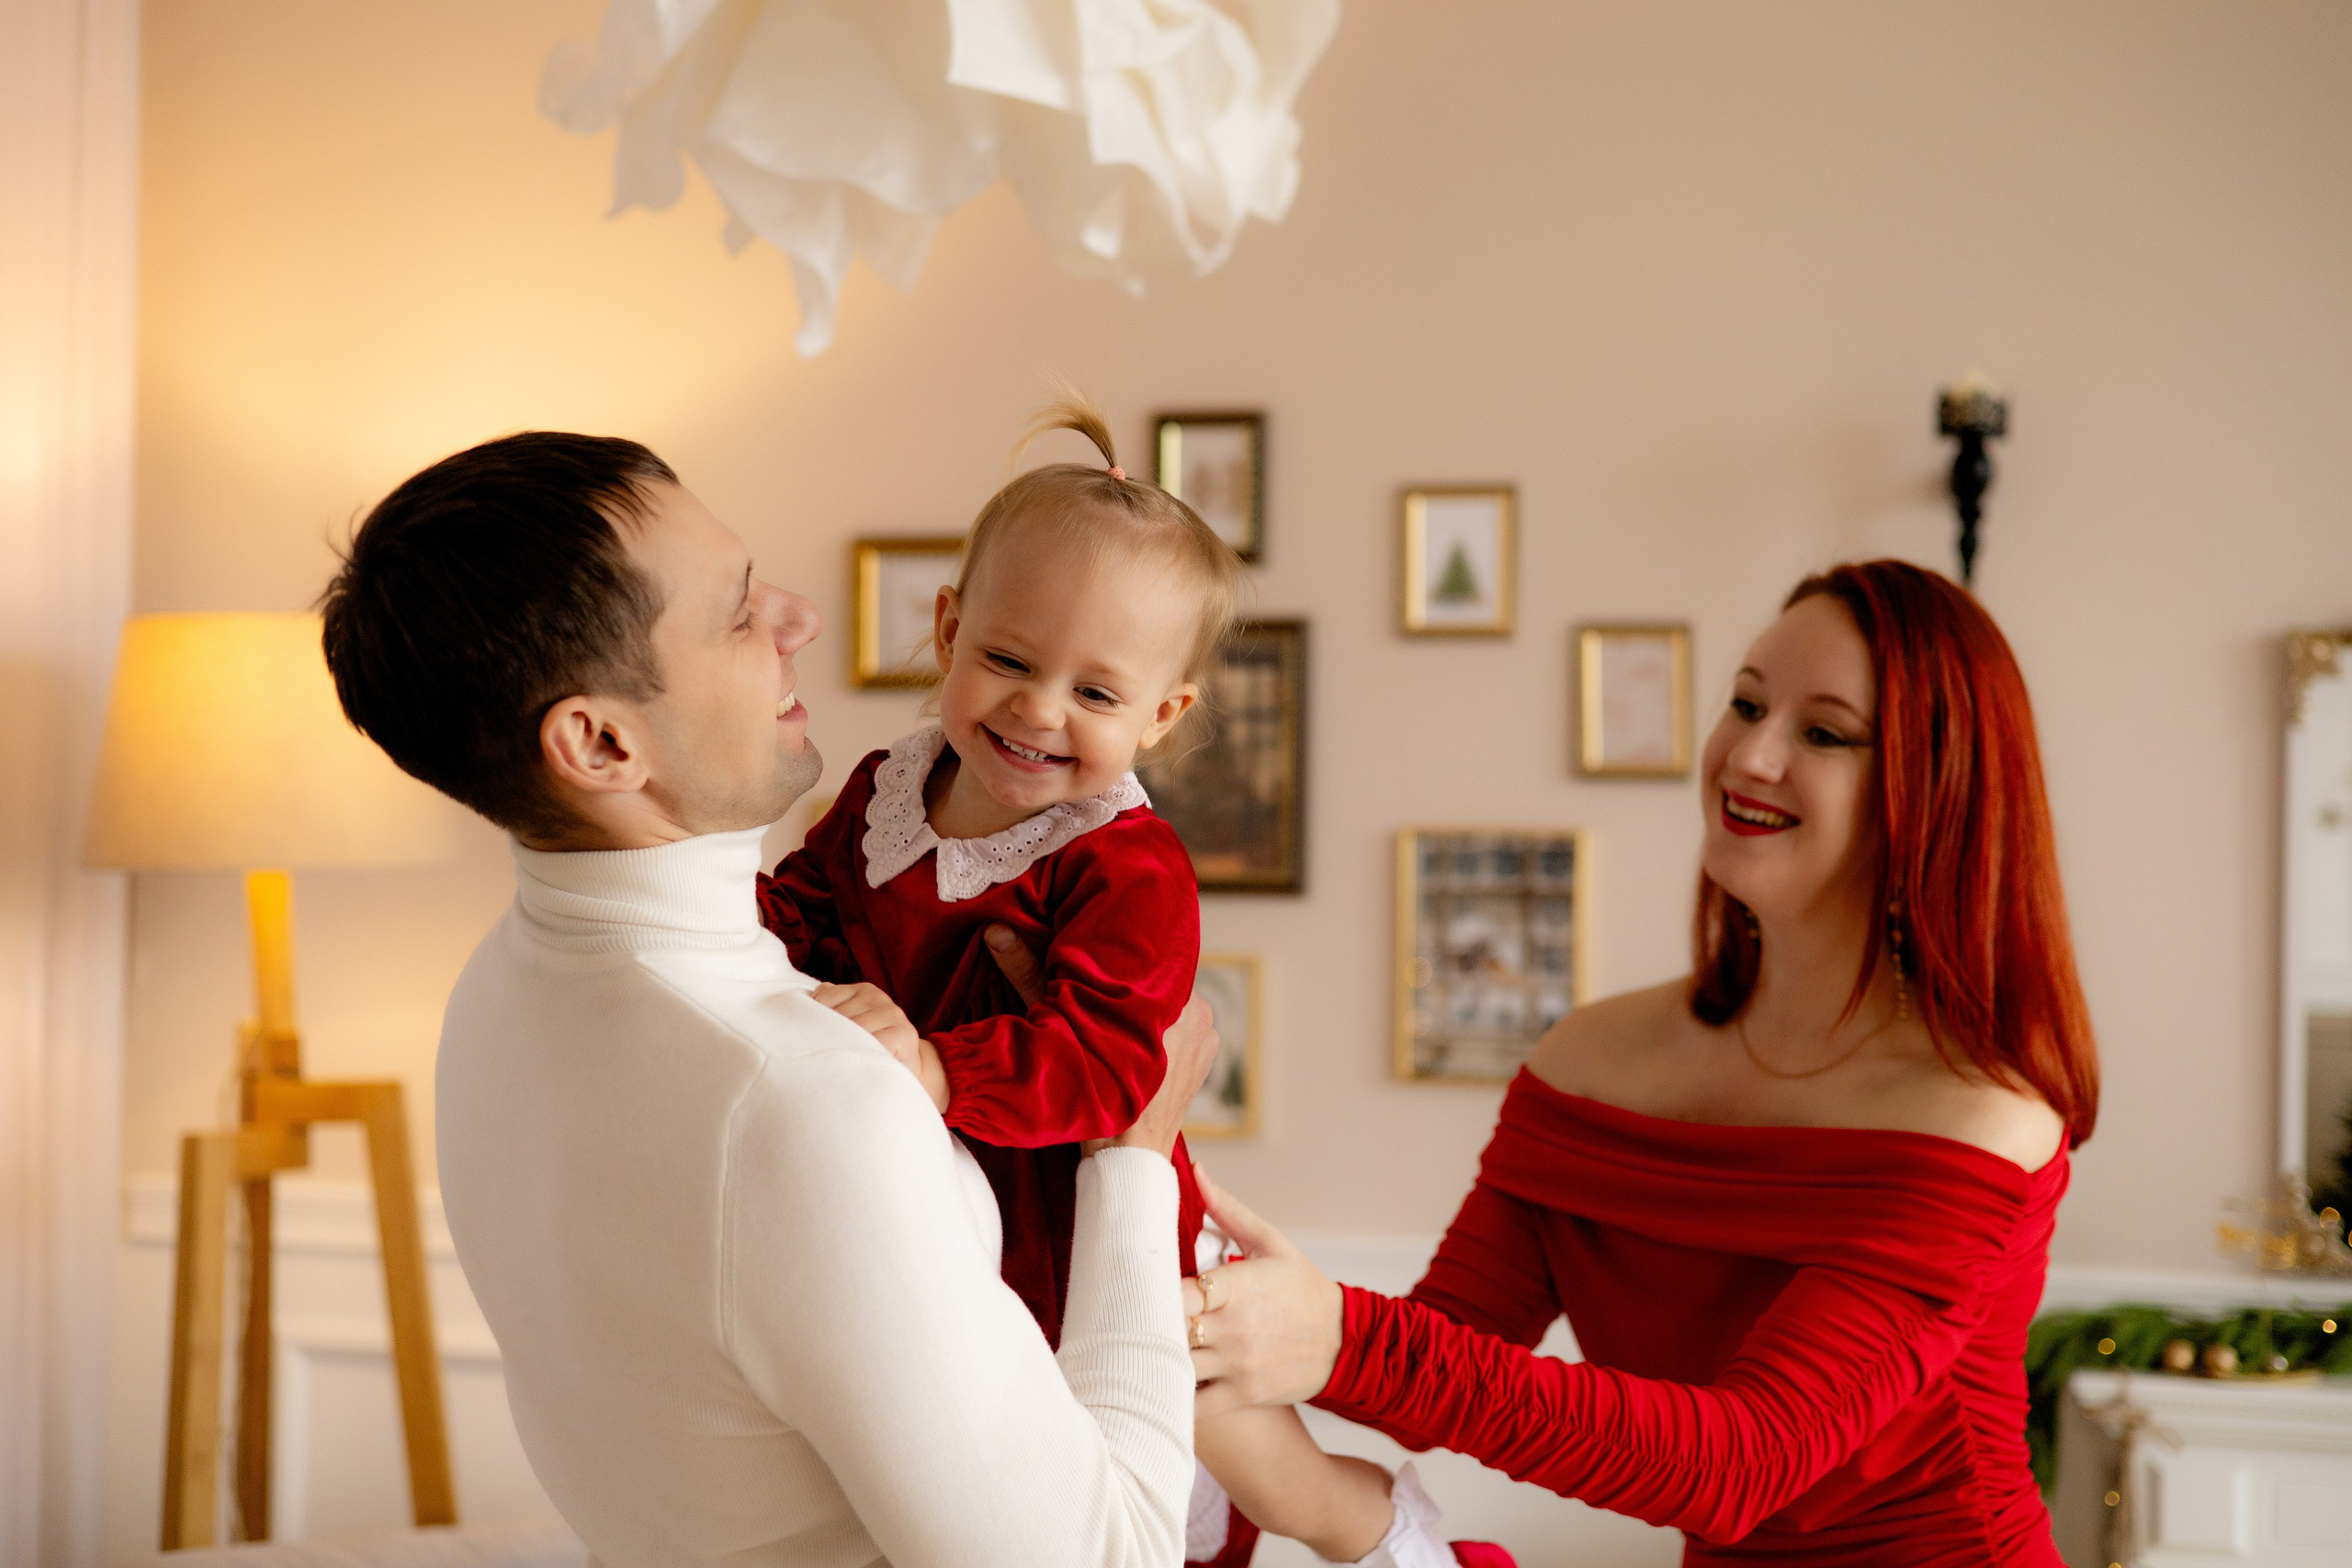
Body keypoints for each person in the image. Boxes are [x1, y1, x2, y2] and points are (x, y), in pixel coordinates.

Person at [318, 430, 1217, 1568]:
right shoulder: (807, 1103)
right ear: (599, 741)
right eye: (738, 613)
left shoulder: (486, 1002)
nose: (795, 615)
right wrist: (1134, 1153)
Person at [1182, 560, 2098, 1567]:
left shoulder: (1977, 1115)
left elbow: (1740, 1464)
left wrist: (1341, 1339)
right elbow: (1438, 1359)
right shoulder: (1591, 1059)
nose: (1750, 754)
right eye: (1745, 704)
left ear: (1934, 793)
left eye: (1823, 732)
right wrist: (1215, 1293)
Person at [758, 395, 1474, 1568]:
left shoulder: (1125, 864)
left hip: (1090, 1210)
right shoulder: (889, 785)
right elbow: (809, 912)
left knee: (1254, 1476)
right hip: (955, 1201)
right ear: (946, 631)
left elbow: (1111, 1063)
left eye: (1095, 694)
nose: (1038, 710)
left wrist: (937, 1068)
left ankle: (1402, 1539)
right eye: (1007, 659)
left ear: (1163, 713)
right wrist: (732, 929)